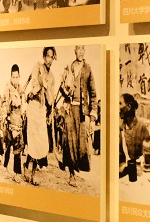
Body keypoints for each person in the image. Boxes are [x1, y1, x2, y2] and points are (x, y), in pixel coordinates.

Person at [55, 46, 97, 186]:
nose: (81, 51)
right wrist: (66, 90)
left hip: (82, 111)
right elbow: (61, 88)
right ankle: (71, 174)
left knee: (81, 143)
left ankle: (76, 168)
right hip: (69, 109)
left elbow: (93, 93)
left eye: (83, 49)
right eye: (78, 48)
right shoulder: (69, 67)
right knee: (70, 141)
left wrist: (92, 116)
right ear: (75, 51)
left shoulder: (88, 68)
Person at [22, 47, 56, 185]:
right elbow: (34, 87)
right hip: (33, 106)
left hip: (42, 110)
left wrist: (46, 88)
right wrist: (41, 85)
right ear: (43, 57)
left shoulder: (52, 76)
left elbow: (51, 99)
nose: (49, 60)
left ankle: (33, 172)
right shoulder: (37, 67)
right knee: (33, 140)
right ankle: (28, 168)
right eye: (47, 56)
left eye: (52, 57)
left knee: (40, 142)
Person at [2, 64, 26, 181]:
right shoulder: (8, 89)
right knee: (10, 146)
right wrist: (6, 116)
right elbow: (4, 104)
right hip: (11, 121)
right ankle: (9, 170)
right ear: (11, 77)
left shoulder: (21, 89)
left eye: (17, 77)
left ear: (19, 77)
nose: (15, 79)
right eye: (13, 77)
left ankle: (14, 172)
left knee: (17, 146)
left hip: (19, 121)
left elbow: (24, 104)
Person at [119, 93, 150, 174]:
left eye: (120, 103)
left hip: (138, 169)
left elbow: (148, 151)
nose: (117, 107)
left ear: (128, 107)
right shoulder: (118, 128)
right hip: (122, 170)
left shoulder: (141, 126)